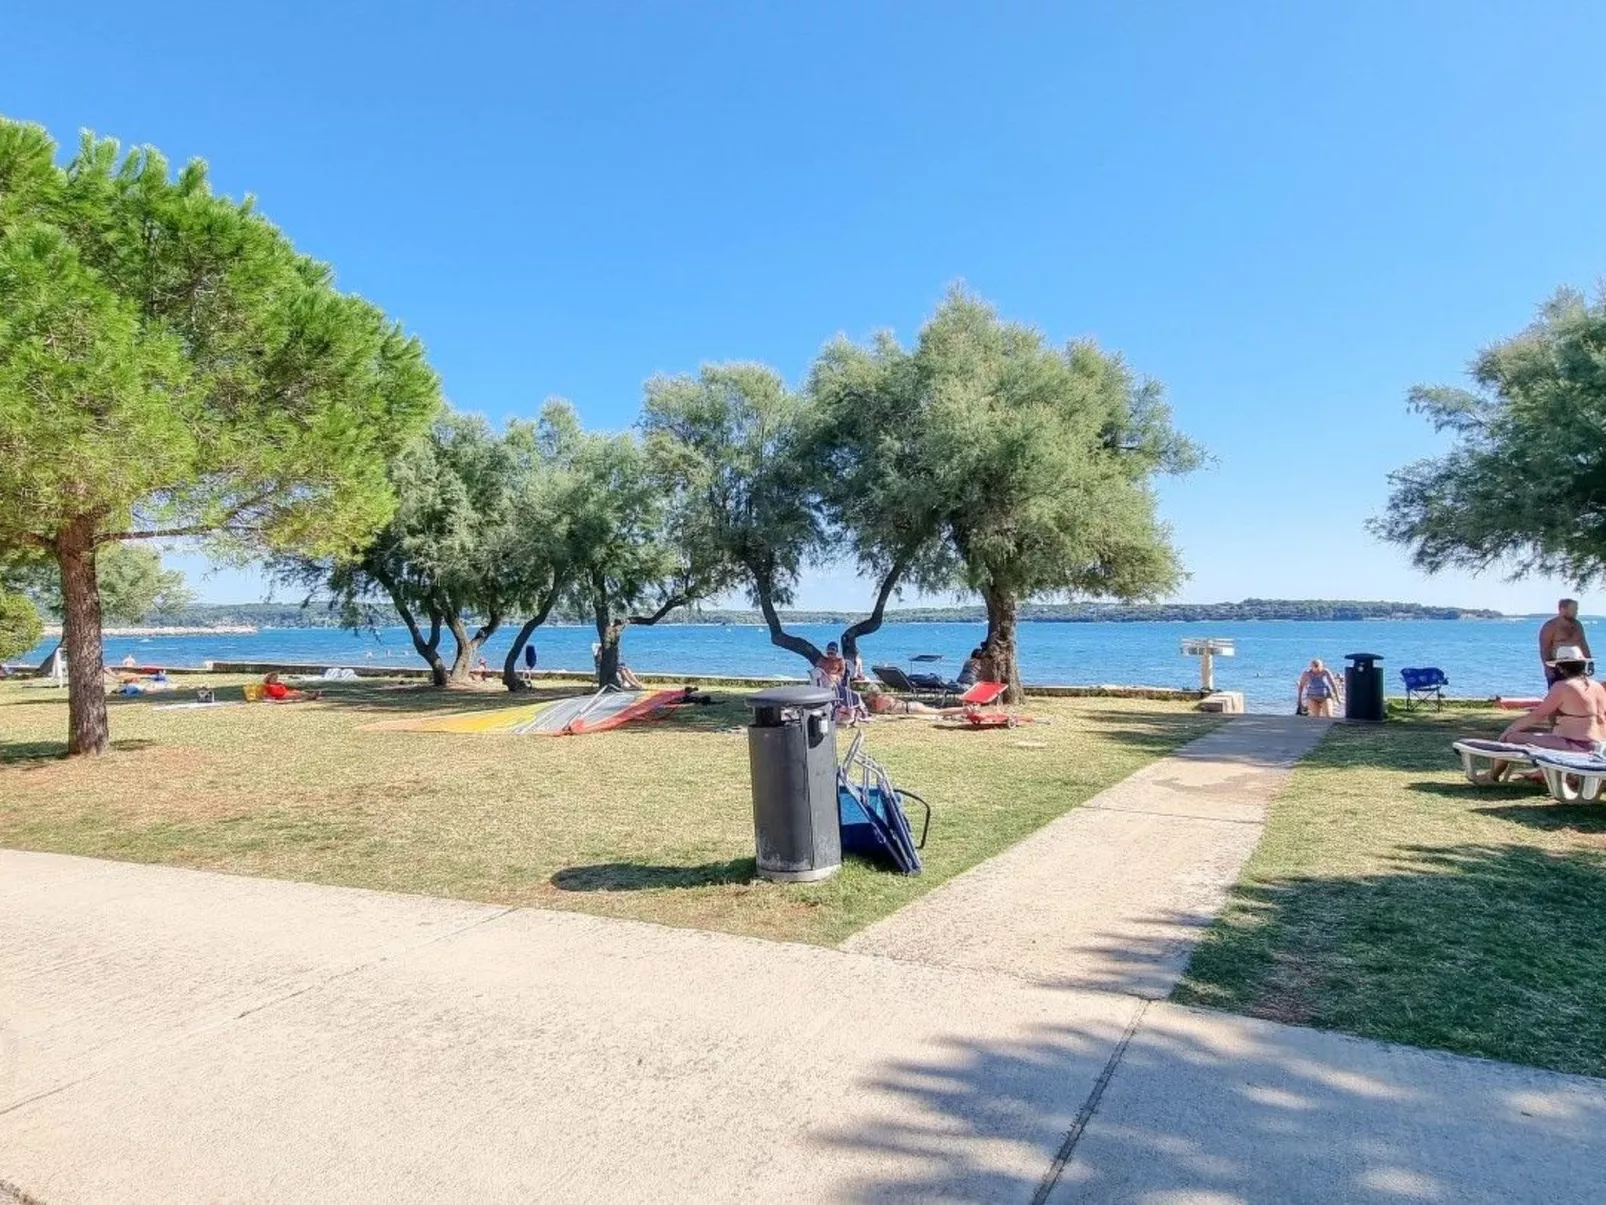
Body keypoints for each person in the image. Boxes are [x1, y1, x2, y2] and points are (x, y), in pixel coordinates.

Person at [1502, 645, 1606, 752]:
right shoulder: (1597, 686)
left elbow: (1538, 715)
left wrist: (1508, 731)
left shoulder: (1563, 686)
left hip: (1577, 745)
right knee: (1534, 733)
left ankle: (1498, 764)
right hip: (1601, 744)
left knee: (1512, 737)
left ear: (1561, 668)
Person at [1539, 599, 1591, 689]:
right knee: (1558, 693)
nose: (1576, 612)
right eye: (1573, 609)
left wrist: (1590, 662)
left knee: (1579, 692)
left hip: (1577, 666)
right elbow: (1544, 648)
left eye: (1576, 609)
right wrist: (1547, 669)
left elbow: (1583, 644)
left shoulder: (1577, 625)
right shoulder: (1550, 626)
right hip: (1558, 667)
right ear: (1562, 609)